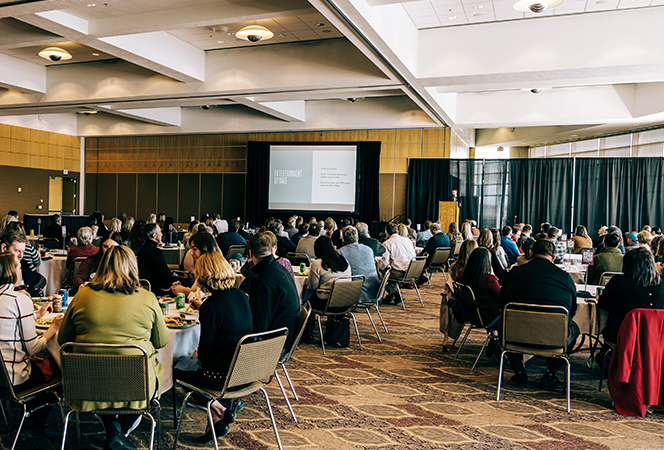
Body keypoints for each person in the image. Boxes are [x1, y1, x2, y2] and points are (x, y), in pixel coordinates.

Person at [58, 246, 169, 450]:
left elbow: (63, 340)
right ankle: (118, 433)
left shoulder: (82, 296)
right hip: (135, 384)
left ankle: (114, 431)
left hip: (86, 382)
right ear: (132, 267)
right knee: (149, 375)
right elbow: (162, 342)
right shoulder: (147, 298)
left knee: (102, 384)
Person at [173, 252, 253, 442]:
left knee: (176, 370)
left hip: (220, 375)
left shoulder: (210, 306)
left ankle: (219, 408)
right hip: (244, 370)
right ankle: (218, 420)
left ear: (204, 276)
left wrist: (195, 356)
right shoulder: (241, 295)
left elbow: (206, 354)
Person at [499, 239, 579, 390]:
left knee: (502, 322)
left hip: (514, 335)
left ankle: (519, 371)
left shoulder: (515, 272)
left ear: (529, 253)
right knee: (574, 329)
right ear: (553, 258)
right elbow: (572, 309)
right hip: (553, 338)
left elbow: (502, 302)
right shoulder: (565, 277)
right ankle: (550, 373)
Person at [0, 252, 62, 424]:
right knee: (60, 368)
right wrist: (53, 327)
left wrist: (35, 315)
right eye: (19, 267)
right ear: (12, 273)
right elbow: (34, 348)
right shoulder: (19, 300)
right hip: (15, 379)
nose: (21, 270)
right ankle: (34, 419)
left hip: (1, 377)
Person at [239, 232, 300, 351]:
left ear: (250, 253)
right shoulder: (279, 268)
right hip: (286, 334)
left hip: (275, 343)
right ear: (272, 250)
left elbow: (259, 326)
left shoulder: (264, 281)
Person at [599, 247, 664, 344]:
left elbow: (603, 304)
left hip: (623, 337)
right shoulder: (662, 283)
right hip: (657, 338)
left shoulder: (618, 282)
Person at [338, 226, 380, 303]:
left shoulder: (341, 252)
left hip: (355, 294)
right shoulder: (369, 249)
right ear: (357, 237)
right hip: (374, 291)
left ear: (343, 239)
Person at [460, 247, 501, 327]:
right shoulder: (489, 279)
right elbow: (501, 297)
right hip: (490, 315)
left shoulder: (463, 274)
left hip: (473, 313)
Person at [381, 222, 416, 304]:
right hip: (412, 271)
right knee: (389, 273)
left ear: (387, 233)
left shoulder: (387, 243)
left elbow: (384, 263)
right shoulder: (408, 241)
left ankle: (394, 294)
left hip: (400, 273)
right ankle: (392, 295)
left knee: (380, 274)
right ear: (397, 231)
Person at [137, 223, 174, 293]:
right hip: (159, 288)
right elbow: (166, 274)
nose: (162, 234)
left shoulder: (142, 250)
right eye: (160, 232)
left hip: (147, 286)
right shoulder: (155, 252)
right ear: (154, 235)